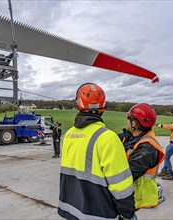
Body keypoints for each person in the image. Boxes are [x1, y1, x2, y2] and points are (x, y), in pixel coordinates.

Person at [58, 83, 136, 220]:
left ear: (78, 105)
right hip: (97, 214)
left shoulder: (68, 135)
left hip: (70, 209)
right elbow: (121, 186)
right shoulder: (108, 138)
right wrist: (127, 214)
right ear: (104, 107)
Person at [119, 103, 165, 210]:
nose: (127, 121)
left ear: (134, 123)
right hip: (130, 194)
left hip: (138, 197)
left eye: (128, 118)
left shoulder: (147, 148)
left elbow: (127, 175)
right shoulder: (131, 137)